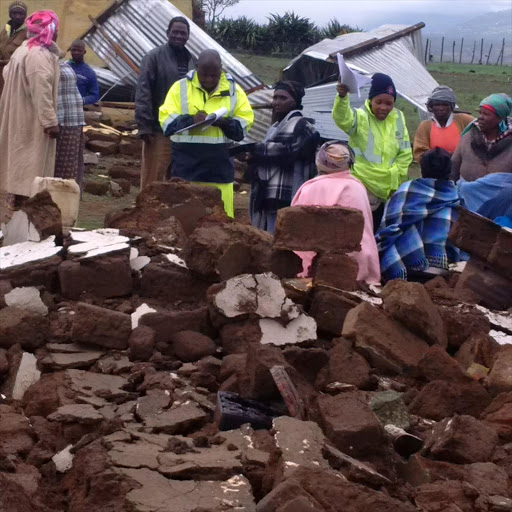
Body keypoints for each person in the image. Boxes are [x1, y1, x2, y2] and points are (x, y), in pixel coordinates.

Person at [159, 49, 254, 218]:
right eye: (204, 74)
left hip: (218, 171)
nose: (209, 79)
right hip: (186, 170)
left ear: (221, 69)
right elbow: (166, 123)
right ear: (196, 68)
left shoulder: (234, 91)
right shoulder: (179, 88)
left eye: (214, 75)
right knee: (184, 220)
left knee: (221, 223)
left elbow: (242, 128)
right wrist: (191, 120)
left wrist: (224, 122)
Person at [291, 140, 380, 284]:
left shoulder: (312, 188)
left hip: (315, 269)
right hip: (360, 268)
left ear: (319, 161)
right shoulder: (357, 187)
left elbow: (296, 233)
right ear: (349, 163)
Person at [332, 73, 413, 228]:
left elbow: (405, 152)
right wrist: (342, 97)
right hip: (362, 189)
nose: (384, 107)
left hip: (388, 192)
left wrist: (394, 176)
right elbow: (343, 118)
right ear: (370, 100)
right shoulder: (360, 117)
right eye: (379, 102)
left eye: (389, 103)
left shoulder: (398, 117)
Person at [0, 10, 61, 209]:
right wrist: (50, 121)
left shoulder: (22, 50)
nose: (58, 33)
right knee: (30, 173)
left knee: (18, 168)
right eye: (56, 29)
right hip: (32, 122)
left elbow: (7, 75)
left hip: (17, 118)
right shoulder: (38, 55)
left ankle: (16, 210)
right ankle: (25, 216)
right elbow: (40, 88)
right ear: (49, 30)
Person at [375, 148, 460, 282]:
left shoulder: (406, 190)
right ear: (449, 171)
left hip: (402, 267)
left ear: (422, 169)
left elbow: (388, 228)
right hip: (441, 271)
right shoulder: (457, 197)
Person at [248, 80, 319, 233]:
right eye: (275, 98)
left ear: (295, 102)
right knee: (266, 236)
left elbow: (285, 151)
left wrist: (254, 150)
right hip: (269, 193)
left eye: (283, 98)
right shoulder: (275, 127)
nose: (277, 102)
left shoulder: (302, 125)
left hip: (288, 191)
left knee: (282, 234)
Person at [136, 16, 195, 189]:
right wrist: (144, 125)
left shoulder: (192, 61)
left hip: (183, 130)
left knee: (176, 179)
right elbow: (143, 91)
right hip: (158, 129)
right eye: (175, 32)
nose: (178, 36)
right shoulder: (153, 57)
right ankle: (145, 214)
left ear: (188, 36)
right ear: (167, 33)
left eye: (182, 33)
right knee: (152, 178)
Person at [451, 93, 512, 212]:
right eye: (480, 113)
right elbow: (453, 167)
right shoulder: (468, 137)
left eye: (486, 114)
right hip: (465, 205)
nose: (480, 117)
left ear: (500, 118)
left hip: (502, 209)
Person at [413, 85, 473, 163]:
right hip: (434, 171)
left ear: (452, 106)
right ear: (431, 106)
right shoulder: (425, 126)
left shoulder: (464, 120)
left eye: (445, 104)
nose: (441, 108)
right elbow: (419, 153)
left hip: (461, 171)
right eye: (437, 104)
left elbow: (481, 133)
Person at [55, 60, 85, 189]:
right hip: (60, 121)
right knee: (60, 168)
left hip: (73, 119)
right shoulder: (40, 60)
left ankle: (67, 200)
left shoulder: (62, 62)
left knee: (70, 167)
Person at [0, 1, 27, 96]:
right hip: (2, 77)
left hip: (16, 76)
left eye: (21, 13)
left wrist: (4, 62)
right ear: (10, 14)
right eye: (14, 13)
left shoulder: (28, 33)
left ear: (25, 15)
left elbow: (26, 58)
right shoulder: (5, 30)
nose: (18, 16)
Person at [67, 39, 99, 105]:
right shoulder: (64, 67)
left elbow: (94, 95)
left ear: (84, 52)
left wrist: (80, 101)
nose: (76, 52)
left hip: (78, 110)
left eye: (79, 50)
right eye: (74, 50)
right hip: (61, 107)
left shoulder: (89, 73)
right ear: (70, 50)